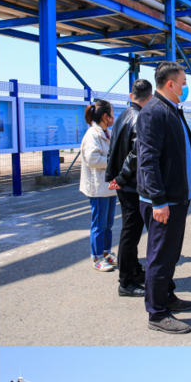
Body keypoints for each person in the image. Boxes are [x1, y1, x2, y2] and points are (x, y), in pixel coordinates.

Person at [136, 61, 191, 335]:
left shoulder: (171, 109)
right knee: (160, 257)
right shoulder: (153, 112)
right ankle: (157, 313)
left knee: (170, 254)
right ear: (170, 84)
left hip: (177, 197)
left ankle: (167, 296)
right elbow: (147, 160)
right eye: (183, 83)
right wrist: (158, 200)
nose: (185, 87)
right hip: (163, 201)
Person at [106, 78, 153, 297]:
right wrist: (122, 178)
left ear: (131, 95)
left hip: (124, 183)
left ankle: (134, 270)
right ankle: (126, 281)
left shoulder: (123, 116)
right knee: (130, 233)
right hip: (131, 184)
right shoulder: (140, 118)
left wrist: (116, 177)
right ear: (150, 97)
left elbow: (113, 149)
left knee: (130, 230)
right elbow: (136, 154)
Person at [79, 99, 117, 272]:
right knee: (99, 224)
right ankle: (97, 257)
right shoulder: (92, 135)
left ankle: (106, 252)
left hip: (108, 186)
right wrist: (113, 162)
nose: (113, 117)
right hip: (98, 187)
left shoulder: (106, 132)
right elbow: (93, 159)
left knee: (108, 223)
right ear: (105, 116)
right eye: (112, 114)